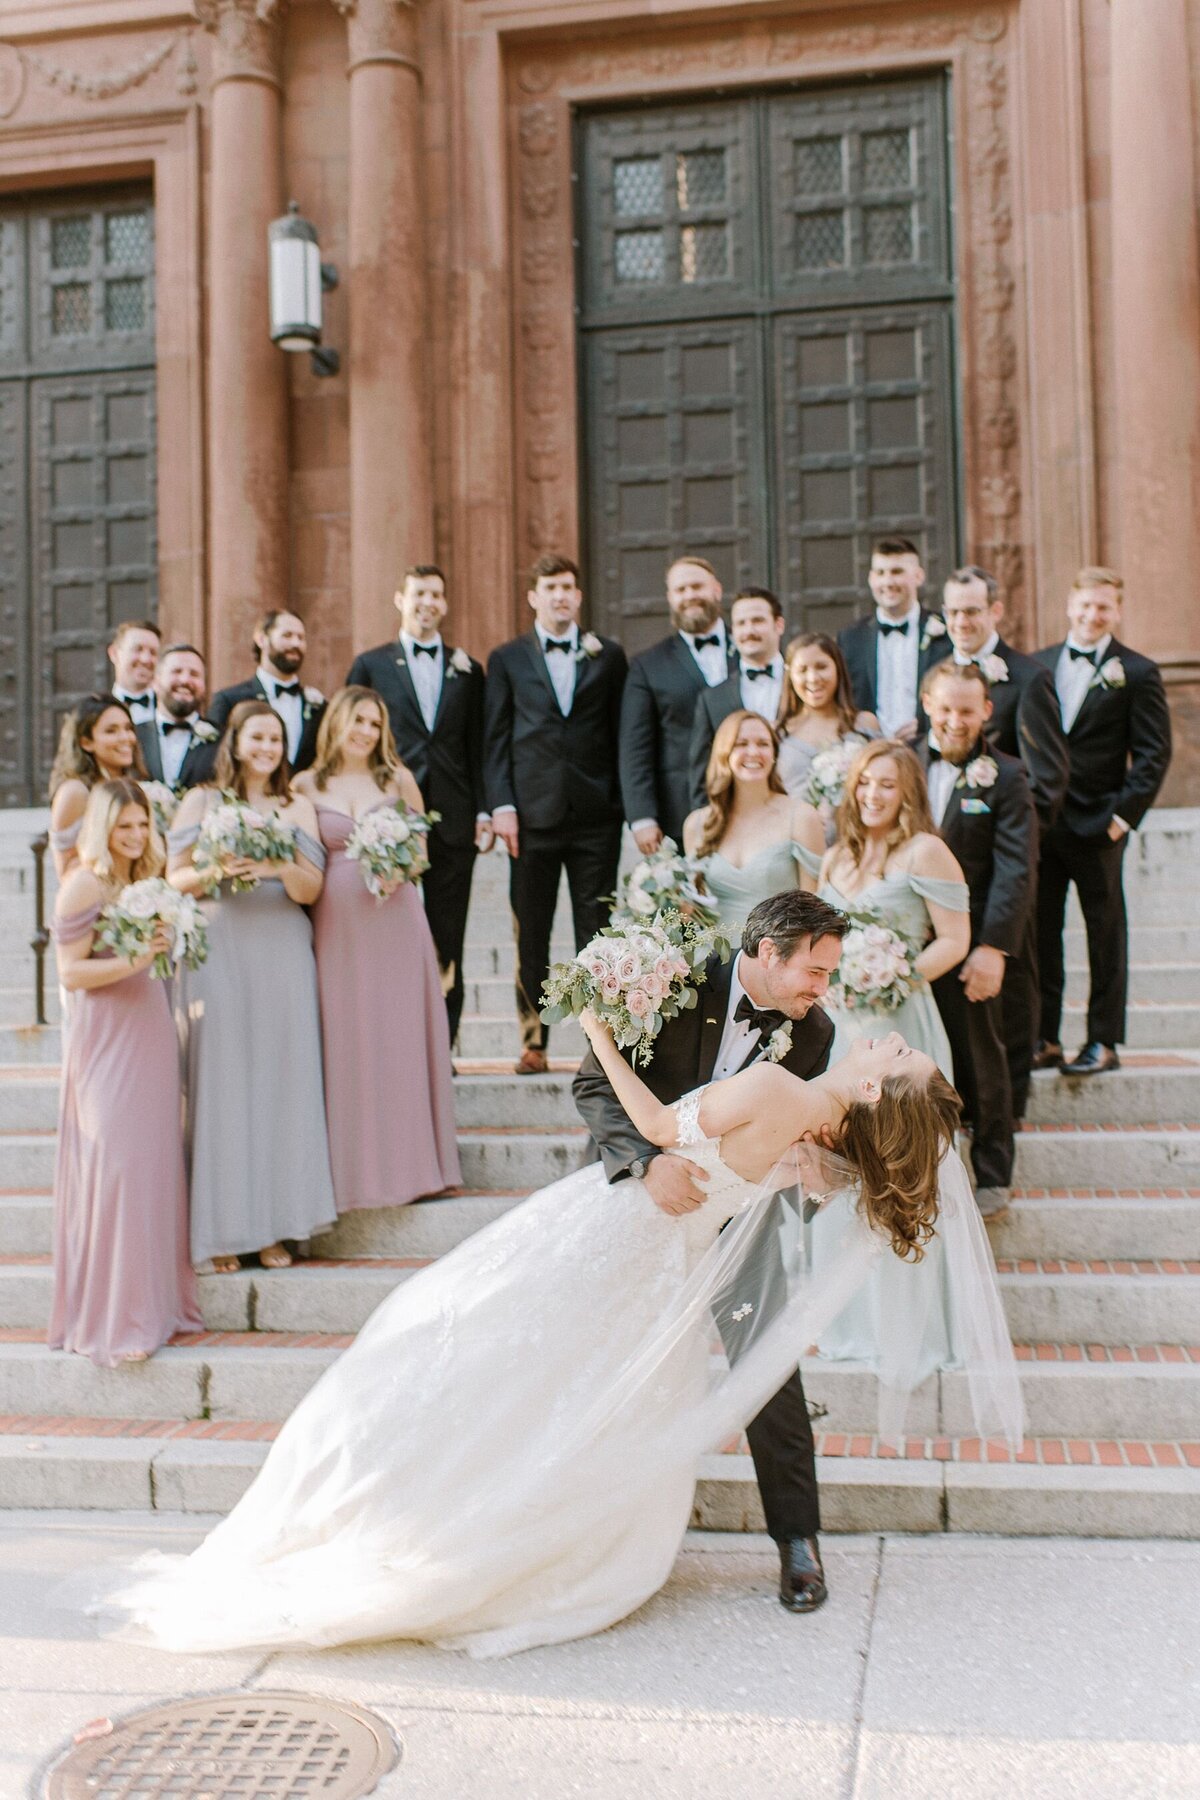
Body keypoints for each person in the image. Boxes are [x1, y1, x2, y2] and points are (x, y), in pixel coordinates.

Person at [79, 925, 1021, 1657]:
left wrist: (601, 1029)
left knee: (534, 1352)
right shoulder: (706, 997)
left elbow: (684, 1120)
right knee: (503, 1360)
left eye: (899, 1058)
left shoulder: (805, 1059)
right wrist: (650, 1158)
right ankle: (454, 1514)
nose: (869, 1022)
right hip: (634, 1216)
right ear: (766, 957)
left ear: (873, 1096)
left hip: (678, 1242)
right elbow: (626, 1113)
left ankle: (794, 1541)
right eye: (815, 967)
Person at [808, 739, 971, 1372]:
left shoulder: (926, 851)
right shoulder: (832, 860)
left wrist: (894, 976)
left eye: (886, 785)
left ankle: (915, 1328)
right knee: (842, 1166)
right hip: (842, 1035)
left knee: (901, 1171)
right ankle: (849, 1321)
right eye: (864, 783)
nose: (872, 795)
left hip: (902, 1030)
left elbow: (955, 939)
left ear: (907, 792)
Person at [168, 700, 336, 1271]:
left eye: (277, 739)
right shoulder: (202, 799)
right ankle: (222, 1230)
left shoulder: (297, 805)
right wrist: (218, 869)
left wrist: (272, 866)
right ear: (235, 741)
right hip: (221, 948)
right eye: (258, 737)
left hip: (281, 948)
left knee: (280, 1084)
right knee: (224, 1085)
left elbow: (311, 889)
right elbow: (175, 876)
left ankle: (276, 1229)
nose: (268, 748)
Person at [50, 780, 202, 1367]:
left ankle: (154, 1305)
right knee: (114, 1166)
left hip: (152, 1029)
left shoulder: (147, 880)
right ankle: (114, 1316)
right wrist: (137, 958)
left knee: (150, 1165)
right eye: (125, 827)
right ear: (102, 828)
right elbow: (70, 974)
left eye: (143, 825)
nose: (137, 837)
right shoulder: (83, 883)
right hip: (106, 1040)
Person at [293, 689, 461, 1211]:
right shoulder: (304, 785)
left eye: (375, 722)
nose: (366, 730)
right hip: (336, 923)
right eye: (357, 720)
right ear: (337, 722)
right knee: (345, 1039)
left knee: (398, 1036)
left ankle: (413, 1168)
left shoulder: (397, 780)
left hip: (395, 920)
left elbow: (421, 854)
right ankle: (351, 1175)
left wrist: (397, 864)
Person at [483, 553, 628, 1075]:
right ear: (533, 596)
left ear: (579, 595)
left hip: (596, 816)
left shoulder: (608, 656)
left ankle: (603, 1044)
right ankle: (533, 1041)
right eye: (550, 587)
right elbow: (495, 736)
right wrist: (500, 805)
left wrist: (625, 802)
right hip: (531, 816)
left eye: (569, 586)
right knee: (533, 932)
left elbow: (620, 731)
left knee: (598, 932)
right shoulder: (506, 659)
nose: (561, 595)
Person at [1032, 568, 1172, 1076]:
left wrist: (1121, 819)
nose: (1093, 615)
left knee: (1104, 935)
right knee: (1041, 933)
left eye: (1104, 608)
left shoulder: (1137, 671)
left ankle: (1103, 1041)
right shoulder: (1039, 664)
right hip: (1044, 826)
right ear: (1070, 606)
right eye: (1086, 605)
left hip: (1099, 826)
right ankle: (1044, 1037)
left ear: (1117, 611)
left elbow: (1154, 755)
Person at [941, 566, 1068, 1117]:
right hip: (943, 878)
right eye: (953, 611)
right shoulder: (937, 674)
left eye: (972, 610)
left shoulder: (1029, 676)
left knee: (1012, 993)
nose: (962, 621)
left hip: (1004, 864)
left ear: (995, 611)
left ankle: (1011, 1105)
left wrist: (1006, 834)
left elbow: (1047, 778)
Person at [346, 565, 490, 1047]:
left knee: (448, 941)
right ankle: (389, 1038)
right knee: (388, 935)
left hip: (452, 821)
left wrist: (484, 811)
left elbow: (479, 746)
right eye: (419, 593)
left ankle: (440, 1044)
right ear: (399, 600)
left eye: (436, 594)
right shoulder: (370, 665)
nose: (427, 602)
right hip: (386, 823)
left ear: (445, 605)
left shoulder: (468, 669)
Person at [919, 662, 1038, 1217]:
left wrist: (993, 948)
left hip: (973, 945)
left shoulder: (1008, 776)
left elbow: (1017, 867)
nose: (954, 720)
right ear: (927, 705)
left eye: (966, 710)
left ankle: (993, 1171)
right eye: (945, 708)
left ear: (987, 711)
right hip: (913, 943)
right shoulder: (904, 765)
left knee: (983, 1058)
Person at [620, 556, 735, 851]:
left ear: (717, 590)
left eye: (697, 586)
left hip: (752, 803)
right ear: (670, 598)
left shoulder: (751, 647)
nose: (689, 596)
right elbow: (636, 746)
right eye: (681, 590)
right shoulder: (647, 665)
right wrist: (642, 816)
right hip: (680, 814)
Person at [682, 710, 824, 938]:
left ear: (774, 753)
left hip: (778, 957)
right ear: (723, 754)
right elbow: (692, 915)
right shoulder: (697, 824)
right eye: (741, 744)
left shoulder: (801, 817)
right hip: (715, 964)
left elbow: (814, 910)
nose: (753, 752)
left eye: (763, 744)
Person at [838, 537, 952, 741]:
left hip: (930, 747)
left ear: (918, 576)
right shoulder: (851, 638)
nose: (888, 582)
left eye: (897, 572)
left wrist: (926, 723)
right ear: (871, 579)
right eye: (880, 573)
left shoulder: (946, 633)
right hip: (869, 751)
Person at [775, 632, 880, 841]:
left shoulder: (863, 724)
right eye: (802, 670)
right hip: (797, 841)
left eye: (821, 667)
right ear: (790, 675)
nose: (813, 678)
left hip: (856, 839)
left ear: (838, 668)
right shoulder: (777, 733)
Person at [688, 587, 787, 804]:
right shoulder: (712, 699)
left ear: (778, 625)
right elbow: (702, 775)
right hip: (737, 821)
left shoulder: (803, 686)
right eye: (741, 623)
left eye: (758, 621)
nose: (749, 630)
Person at [208, 609, 326, 772]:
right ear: (261, 639)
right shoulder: (229, 700)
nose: (295, 643)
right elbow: (215, 760)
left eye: (301, 638)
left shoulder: (318, 705)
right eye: (287, 635)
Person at [48, 695, 147, 878]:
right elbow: (66, 871)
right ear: (86, 742)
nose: (125, 738)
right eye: (111, 731)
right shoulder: (75, 792)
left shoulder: (135, 783)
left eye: (128, 728)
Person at [135, 643, 220, 791]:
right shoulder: (133, 735)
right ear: (155, 682)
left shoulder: (222, 738)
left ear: (204, 686)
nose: (185, 680)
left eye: (194, 674)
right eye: (176, 671)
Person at [105, 618, 160, 724]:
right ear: (114, 653)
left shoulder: (167, 708)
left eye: (153, 652)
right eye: (138, 649)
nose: (146, 659)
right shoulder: (98, 710)